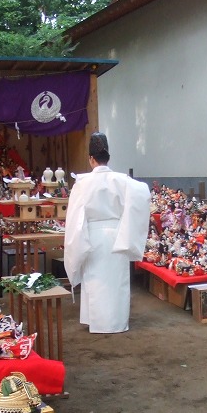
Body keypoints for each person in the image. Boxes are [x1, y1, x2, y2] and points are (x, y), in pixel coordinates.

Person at [64, 132, 151, 333]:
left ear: (91, 159)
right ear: (108, 157)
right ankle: (116, 322)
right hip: (117, 235)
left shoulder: (82, 183)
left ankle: (94, 321)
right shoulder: (123, 180)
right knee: (116, 282)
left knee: (94, 281)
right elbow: (142, 193)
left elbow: (75, 216)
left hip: (91, 235)